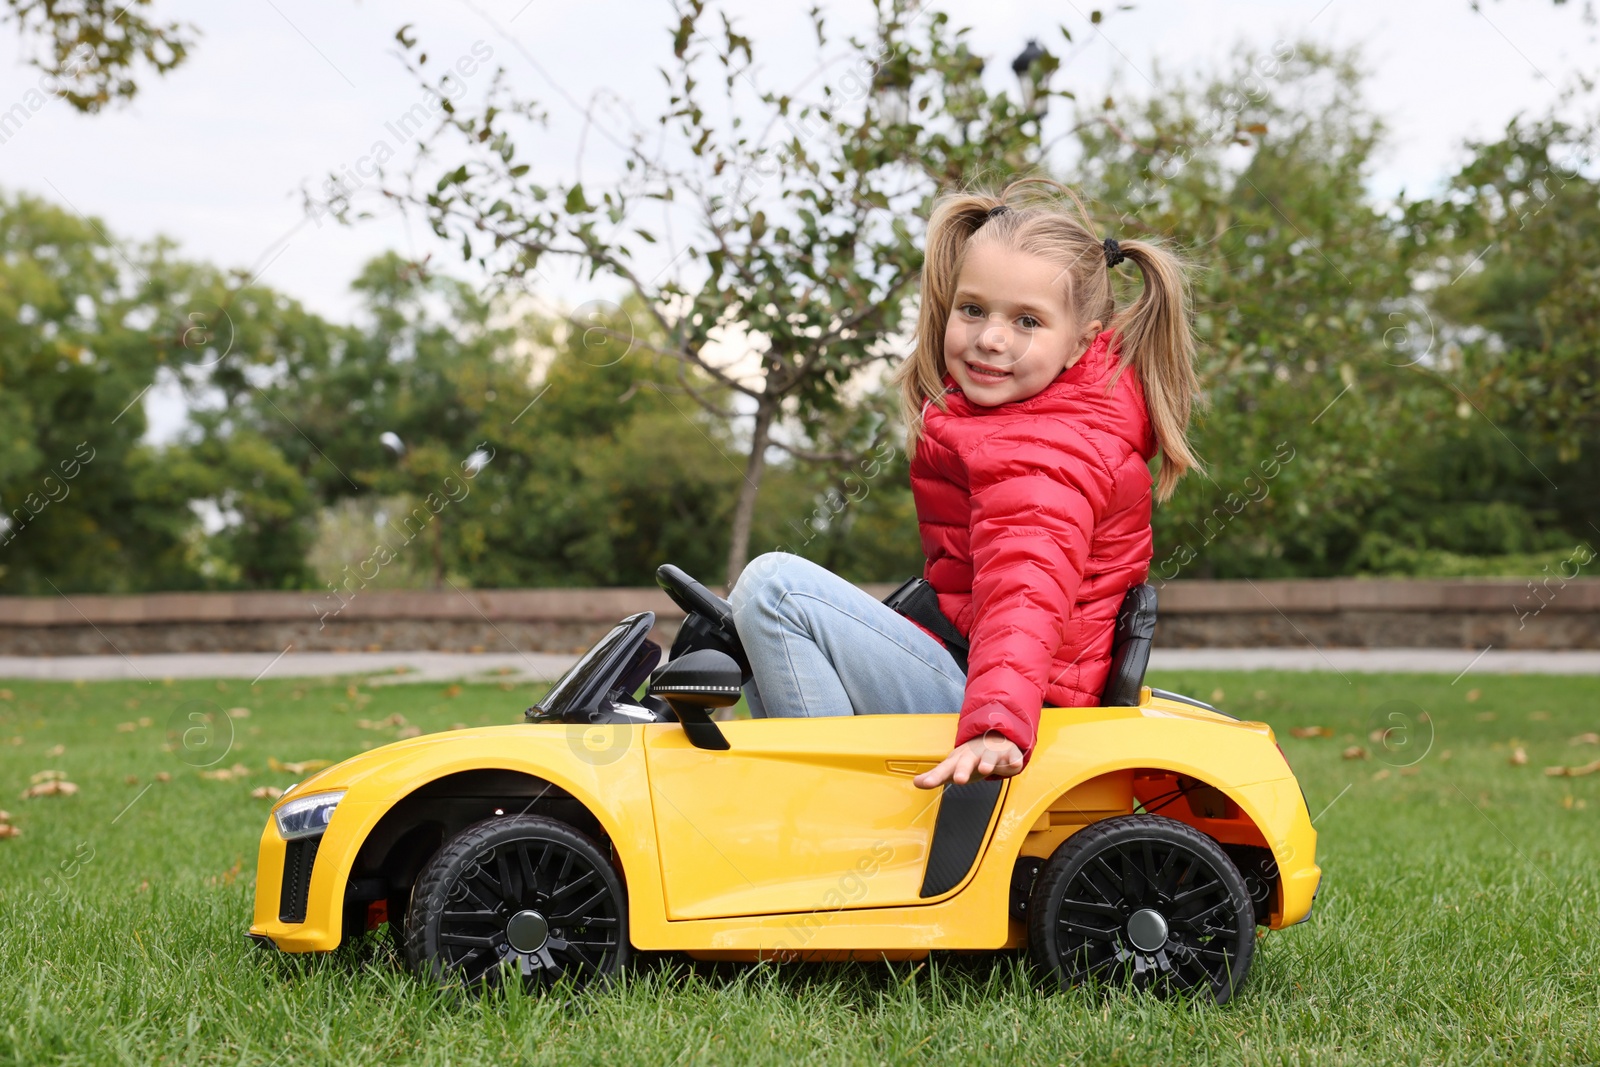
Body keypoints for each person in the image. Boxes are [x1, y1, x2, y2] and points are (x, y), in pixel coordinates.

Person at [728, 177, 1201, 791]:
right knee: (770, 624)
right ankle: (813, 806)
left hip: (1012, 713)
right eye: (972, 309)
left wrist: (995, 723)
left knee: (775, 589)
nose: (991, 338)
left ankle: (839, 814)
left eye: (1027, 321)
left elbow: (1026, 587)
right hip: (987, 680)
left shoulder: (1047, 448)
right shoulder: (1038, 418)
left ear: (1080, 341)